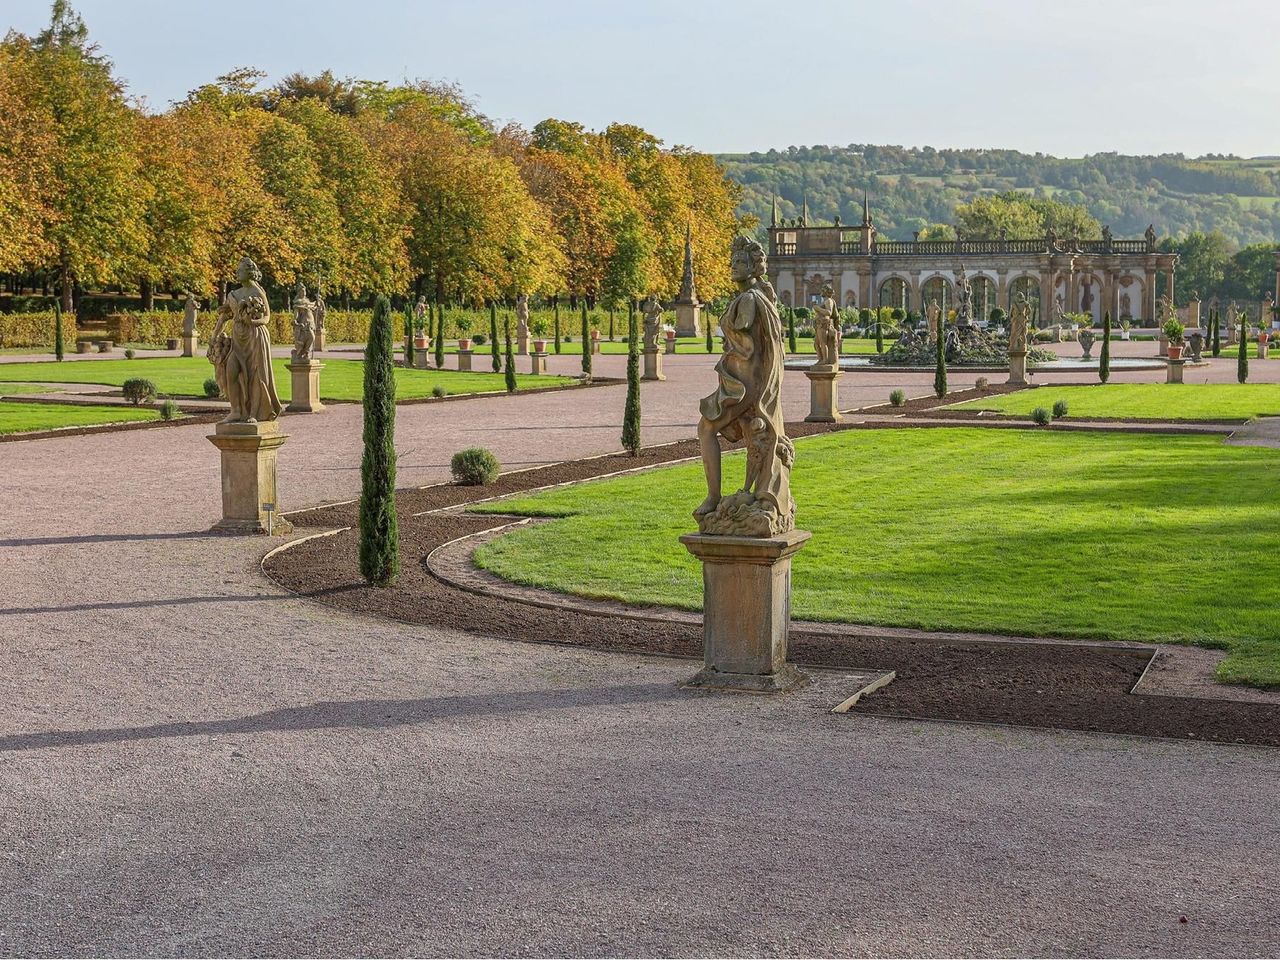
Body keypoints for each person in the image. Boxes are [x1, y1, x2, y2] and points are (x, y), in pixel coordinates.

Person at [694, 235, 794, 536]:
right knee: (713, 429)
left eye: (739, 262)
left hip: (745, 383)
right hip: (744, 380)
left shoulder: (749, 299)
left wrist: (727, 322)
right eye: (733, 261)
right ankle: (734, 494)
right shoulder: (755, 297)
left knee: (706, 428)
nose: (732, 266)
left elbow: (744, 339)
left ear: (753, 268)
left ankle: (713, 497)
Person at [208, 257, 282, 424]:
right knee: (231, 371)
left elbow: (267, 317)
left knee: (256, 376)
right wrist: (213, 337)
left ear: (249, 272)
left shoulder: (258, 292)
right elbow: (223, 317)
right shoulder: (234, 294)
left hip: (255, 337)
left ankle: (254, 413)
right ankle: (236, 411)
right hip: (238, 338)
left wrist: (253, 322)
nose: (237, 273)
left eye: (240, 270)